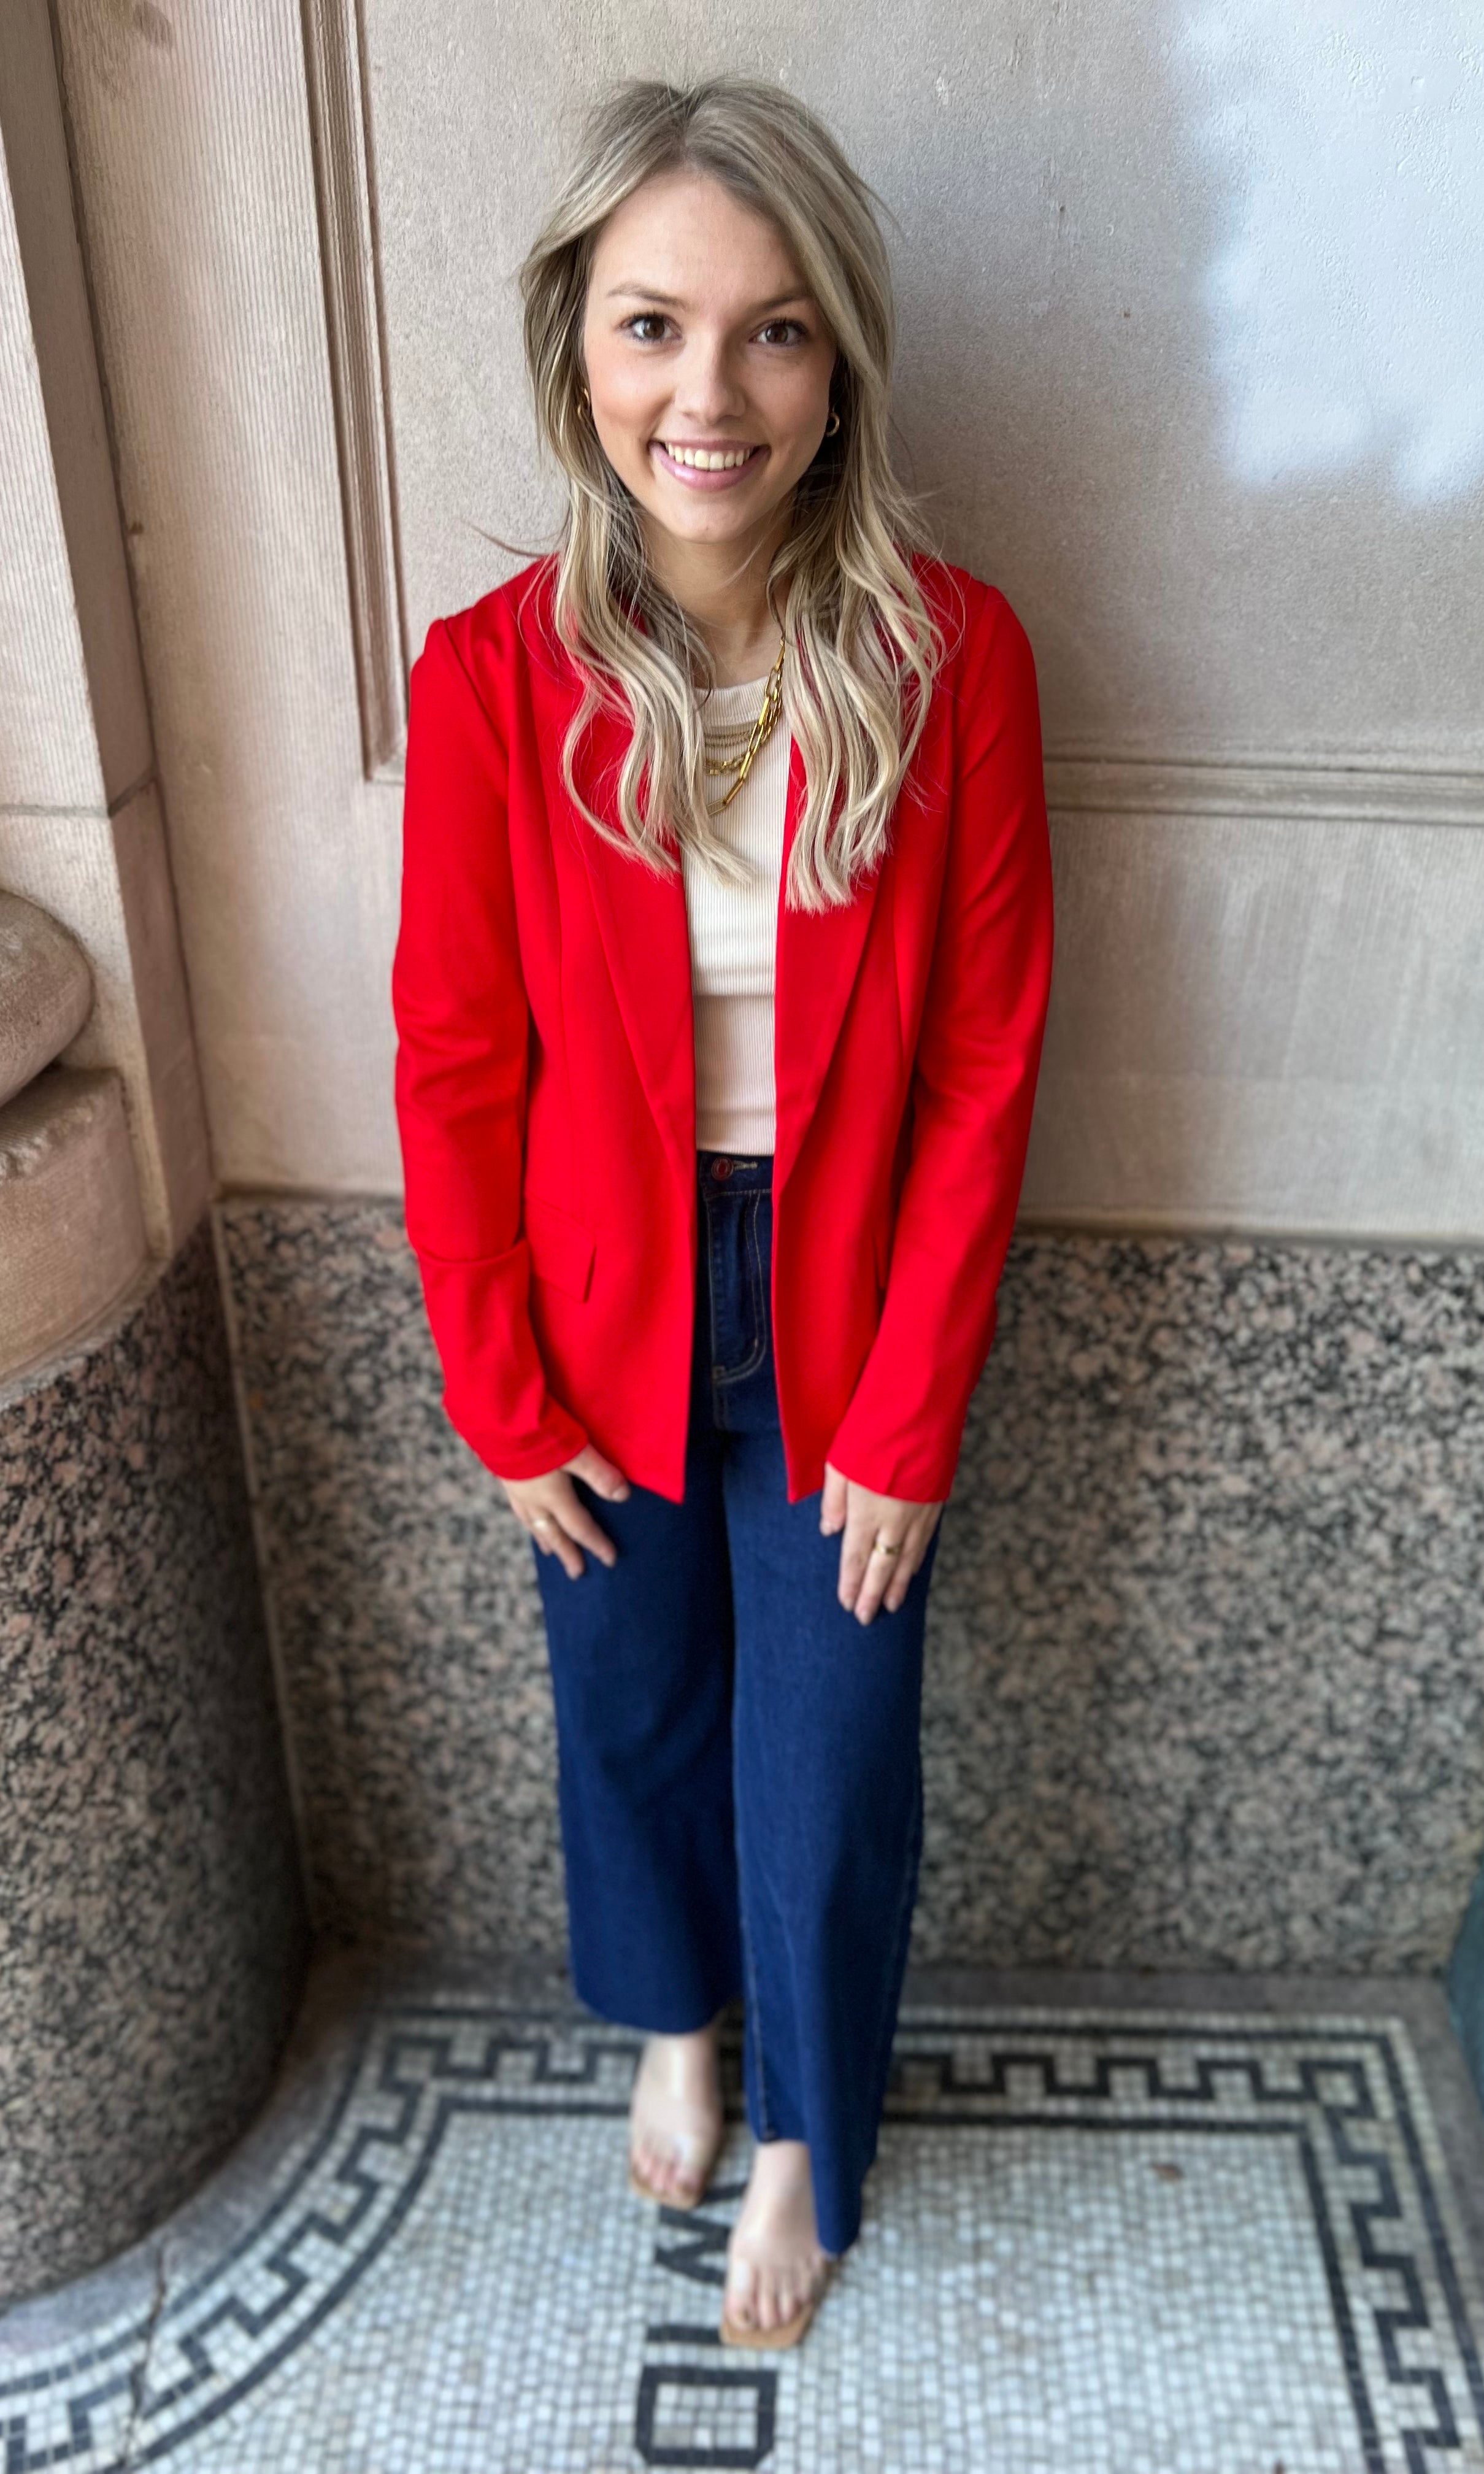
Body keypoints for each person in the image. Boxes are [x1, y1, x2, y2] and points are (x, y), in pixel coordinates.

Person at [391, 72, 1054, 2351]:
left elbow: (980, 1067)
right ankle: (676, 2018)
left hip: (852, 1293)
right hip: (600, 1292)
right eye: (655, 325)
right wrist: (497, 1388)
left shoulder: (951, 663)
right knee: (634, 1698)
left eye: (772, 333)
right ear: (576, 342)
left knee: (832, 1743)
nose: (710, 391)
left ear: (839, 358)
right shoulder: (488, 686)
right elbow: (460, 1067)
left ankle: (803, 2135)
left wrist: (913, 1411)